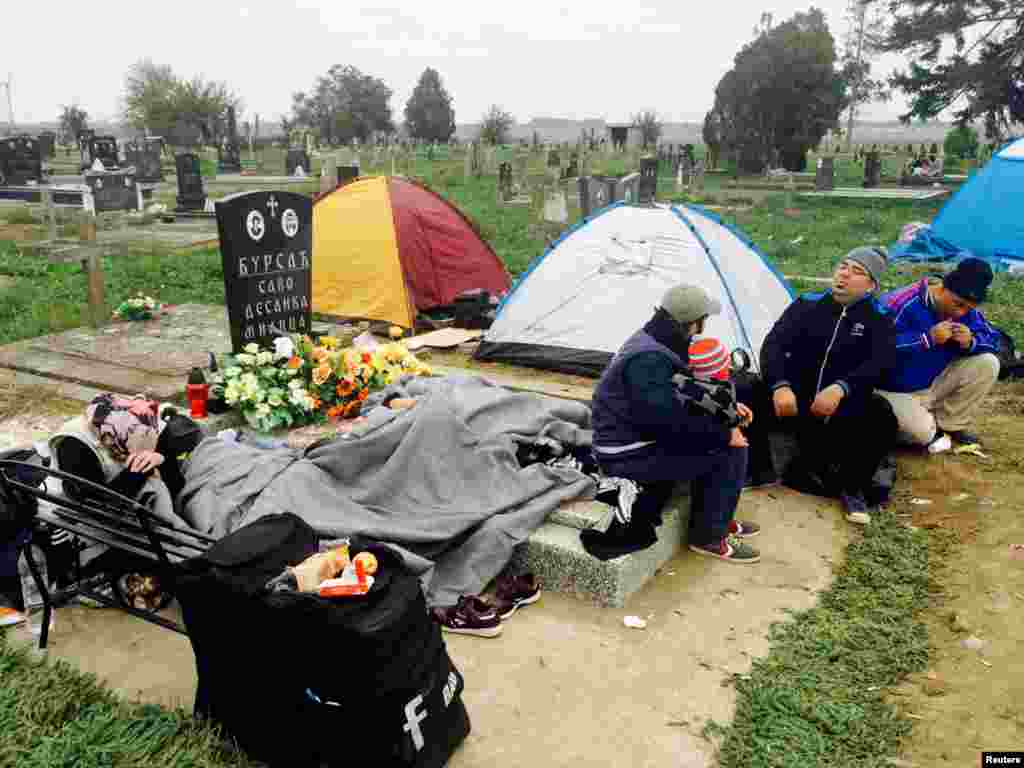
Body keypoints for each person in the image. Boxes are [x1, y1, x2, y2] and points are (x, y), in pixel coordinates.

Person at [586, 284, 761, 564]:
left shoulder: (658, 339)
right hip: (627, 454)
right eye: (703, 320)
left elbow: (679, 391)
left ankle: (720, 516)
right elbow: (665, 422)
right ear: (694, 323)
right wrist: (722, 433)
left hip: (636, 437)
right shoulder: (649, 359)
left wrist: (726, 410)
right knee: (728, 450)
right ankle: (709, 536)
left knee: (723, 436)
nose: (703, 327)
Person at [743, 247, 898, 524]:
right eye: (843, 266)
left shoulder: (879, 318)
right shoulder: (807, 305)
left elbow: (880, 364)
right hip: (793, 402)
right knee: (746, 389)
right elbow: (773, 346)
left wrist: (840, 388)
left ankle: (853, 488)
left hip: (838, 409)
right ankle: (759, 469)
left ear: (871, 286)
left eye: (857, 271)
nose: (845, 274)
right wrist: (780, 385)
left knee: (881, 413)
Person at [877, 257, 1000, 451]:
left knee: (987, 362)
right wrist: (926, 339)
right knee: (922, 435)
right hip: (889, 389)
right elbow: (873, 347)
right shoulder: (902, 302)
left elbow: (994, 339)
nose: (961, 313)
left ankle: (949, 424)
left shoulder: (966, 309)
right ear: (942, 288)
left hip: (930, 385)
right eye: (958, 305)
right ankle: (912, 423)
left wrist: (971, 341)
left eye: (969, 308)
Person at [48, 393, 203, 508]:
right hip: (95, 521)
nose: (146, 445)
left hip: (136, 506)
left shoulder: (148, 426)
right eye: (140, 439)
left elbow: (176, 485)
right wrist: (140, 470)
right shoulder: (74, 447)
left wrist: (161, 459)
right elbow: (95, 506)